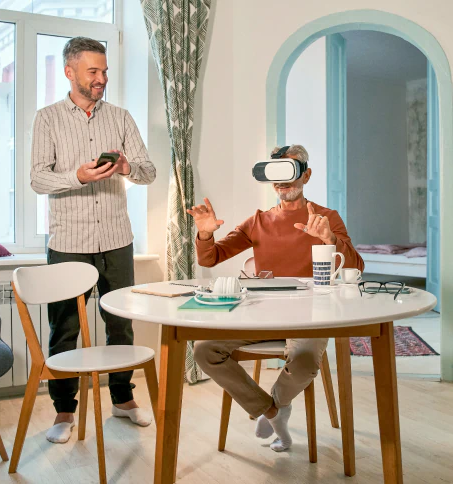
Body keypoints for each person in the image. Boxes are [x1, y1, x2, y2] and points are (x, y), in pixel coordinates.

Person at [187, 144, 363, 452]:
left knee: (306, 360)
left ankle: (276, 405)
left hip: (312, 316)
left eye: (290, 173)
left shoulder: (326, 218)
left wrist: (330, 240)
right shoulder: (257, 221)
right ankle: (271, 412)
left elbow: (357, 267)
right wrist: (204, 234)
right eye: (275, 175)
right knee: (204, 350)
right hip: (261, 314)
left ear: (306, 175)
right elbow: (210, 258)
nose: (282, 183)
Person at [31, 37, 156, 444]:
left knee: (120, 324)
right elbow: (37, 179)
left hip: (117, 238)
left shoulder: (120, 117)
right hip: (69, 240)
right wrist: (77, 177)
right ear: (70, 72)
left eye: (104, 71)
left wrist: (126, 166)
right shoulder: (47, 118)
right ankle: (64, 411)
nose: (102, 78)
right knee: (64, 329)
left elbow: (148, 172)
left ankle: (122, 399)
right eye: (93, 71)